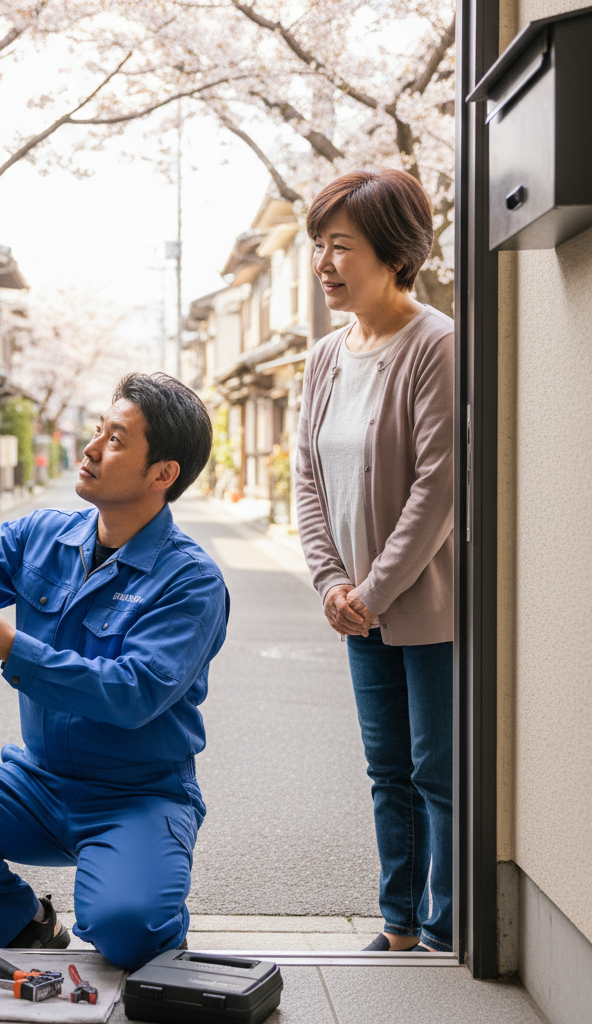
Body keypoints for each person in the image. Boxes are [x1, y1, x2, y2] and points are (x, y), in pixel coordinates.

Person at [0, 372, 229, 970]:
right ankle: (22, 929)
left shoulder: (190, 580)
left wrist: (13, 649)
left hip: (137, 796)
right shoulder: (47, 534)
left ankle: (146, 911)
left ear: (163, 474)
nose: (90, 448)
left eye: (116, 440)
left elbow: (134, 693)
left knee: (127, 929)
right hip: (38, 782)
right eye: (98, 430)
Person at [295, 170, 454, 953]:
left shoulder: (438, 344)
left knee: (438, 772)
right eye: (319, 246)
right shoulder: (325, 356)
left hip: (427, 606)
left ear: (393, 253)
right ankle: (397, 925)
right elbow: (306, 475)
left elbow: (438, 487)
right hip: (356, 607)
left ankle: (446, 924)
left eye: (341, 247)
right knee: (387, 769)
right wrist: (331, 583)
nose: (325, 263)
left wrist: (375, 590)